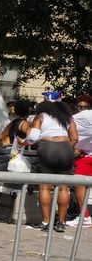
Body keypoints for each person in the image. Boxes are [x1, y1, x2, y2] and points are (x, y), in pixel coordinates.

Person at [23, 91, 78, 232]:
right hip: (65, 149)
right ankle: (60, 222)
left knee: (44, 187)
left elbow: (33, 138)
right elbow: (75, 138)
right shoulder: (68, 118)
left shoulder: (40, 117)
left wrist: (23, 142)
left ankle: (46, 222)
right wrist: (67, 148)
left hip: (47, 148)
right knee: (63, 187)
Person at [68, 95, 92, 227]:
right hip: (86, 155)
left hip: (86, 158)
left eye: (84, 107)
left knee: (79, 183)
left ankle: (85, 216)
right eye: (80, 106)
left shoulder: (77, 118)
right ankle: (84, 216)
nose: (81, 109)